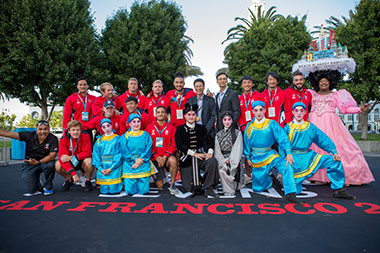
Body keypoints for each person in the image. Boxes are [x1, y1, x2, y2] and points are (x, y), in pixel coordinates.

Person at [307, 70, 375, 185]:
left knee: (336, 148)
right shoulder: (311, 94)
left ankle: (343, 176)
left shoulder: (336, 94)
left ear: (330, 83)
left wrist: (359, 109)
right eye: (321, 81)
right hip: (314, 124)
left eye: (326, 81)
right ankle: (318, 176)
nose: (323, 83)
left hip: (331, 125)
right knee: (315, 149)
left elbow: (345, 109)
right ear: (317, 83)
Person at [282, 102, 355, 199]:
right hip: (293, 159)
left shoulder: (310, 127)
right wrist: (285, 157)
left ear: (305, 112)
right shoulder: (287, 128)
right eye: (296, 110)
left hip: (308, 157)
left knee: (334, 161)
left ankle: (339, 190)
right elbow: (282, 144)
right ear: (292, 112)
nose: (299, 113)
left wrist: (334, 152)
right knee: (295, 189)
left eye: (301, 110)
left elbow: (323, 140)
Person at [244, 101, 302, 204]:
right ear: (252, 111)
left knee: (286, 165)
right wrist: (248, 157)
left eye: (261, 110)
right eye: (256, 110)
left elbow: (283, 138)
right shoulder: (249, 126)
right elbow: (246, 143)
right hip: (256, 158)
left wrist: (288, 153)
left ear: (265, 110)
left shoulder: (272, 124)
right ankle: (270, 179)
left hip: (270, 155)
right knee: (258, 188)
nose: (258, 113)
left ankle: (291, 193)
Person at [0, 120, 58, 196]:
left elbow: (52, 156)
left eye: (45, 129)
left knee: (50, 165)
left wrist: (38, 162)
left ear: (49, 129)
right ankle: (37, 182)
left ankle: (48, 187)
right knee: (32, 190)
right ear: (36, 130)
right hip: (31, 162)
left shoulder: (53, 138)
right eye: (40, 129)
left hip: (45, 162)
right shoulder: (29, 135)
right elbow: (9, 133)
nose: (43, 132)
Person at [175, 103, 219, 198]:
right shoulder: (180, 129)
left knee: (212, 162)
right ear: (185, 116)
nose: (191, 117)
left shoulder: (201, 128)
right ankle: (200, 180)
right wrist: (193, 153)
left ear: (196, 116)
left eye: (193, 114)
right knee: (189, 188)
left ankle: (208, 187)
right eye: (189, 115)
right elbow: (179, 145)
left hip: (200, 156)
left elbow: (209, 140)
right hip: (187, 158)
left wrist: (210, 152)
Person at [145, 106, 179, 195]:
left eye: (162, 112)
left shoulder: (172, 128)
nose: (160, 114)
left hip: (166, 157)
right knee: (159, 186)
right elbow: (147, 145)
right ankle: (158, 174)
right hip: (154, 158)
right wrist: (156, 157)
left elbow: (174, 145)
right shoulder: (149, 127)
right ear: (155, 114)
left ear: (166, 114)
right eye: (158, 112)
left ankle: (172, 183)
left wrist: (164, 156)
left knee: (173, 160)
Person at [119, 114, 155, 195]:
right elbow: (124, 151)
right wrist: (135, 160)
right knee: (130, 191)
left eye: (138, 121)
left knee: (143, 191)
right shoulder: (125, 136)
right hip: (130, 165)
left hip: (143, 163)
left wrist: (140, 161)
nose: (136, 124)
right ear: (129, 123)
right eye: (134, 122)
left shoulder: (146, 135)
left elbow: (148, 149)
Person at [55, 120, 93, 192]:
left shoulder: (85, 136)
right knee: (58, 165)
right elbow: (62, 158)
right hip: (70, 162)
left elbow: (88, 152)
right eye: (73, 130)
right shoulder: (63, 139)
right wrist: (73, 174)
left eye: (78, 130)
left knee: (89, 161)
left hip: (82, 160)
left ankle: (88, 181)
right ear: (69, 131)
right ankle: (69, 179)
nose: (76, 132)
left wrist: (72, 157)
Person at [214, 111, 244, 196]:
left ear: (232, 120)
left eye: (229, 119)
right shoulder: (218, 134)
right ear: (222, 121)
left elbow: (237, 150)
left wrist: (231, 162)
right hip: (223, 160)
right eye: (225, 119)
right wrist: (223, 162)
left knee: (225, 171)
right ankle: (229, 190)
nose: (227, 122)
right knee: (222, 170)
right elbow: (217, 152)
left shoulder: (237, 133)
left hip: (234, 161)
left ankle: (230, 180)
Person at [92, 118, 123, 196]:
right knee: (104, 191)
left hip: (114, 168)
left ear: (112, 126)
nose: (107, 129)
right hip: (103, 167)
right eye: (104, 127)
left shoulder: (117, 139)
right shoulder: (99, 140)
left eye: (108, 126)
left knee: (114, 190)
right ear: (101, 128)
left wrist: (111, 168)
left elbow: (119, 154)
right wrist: (100, 168)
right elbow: (96, 156)